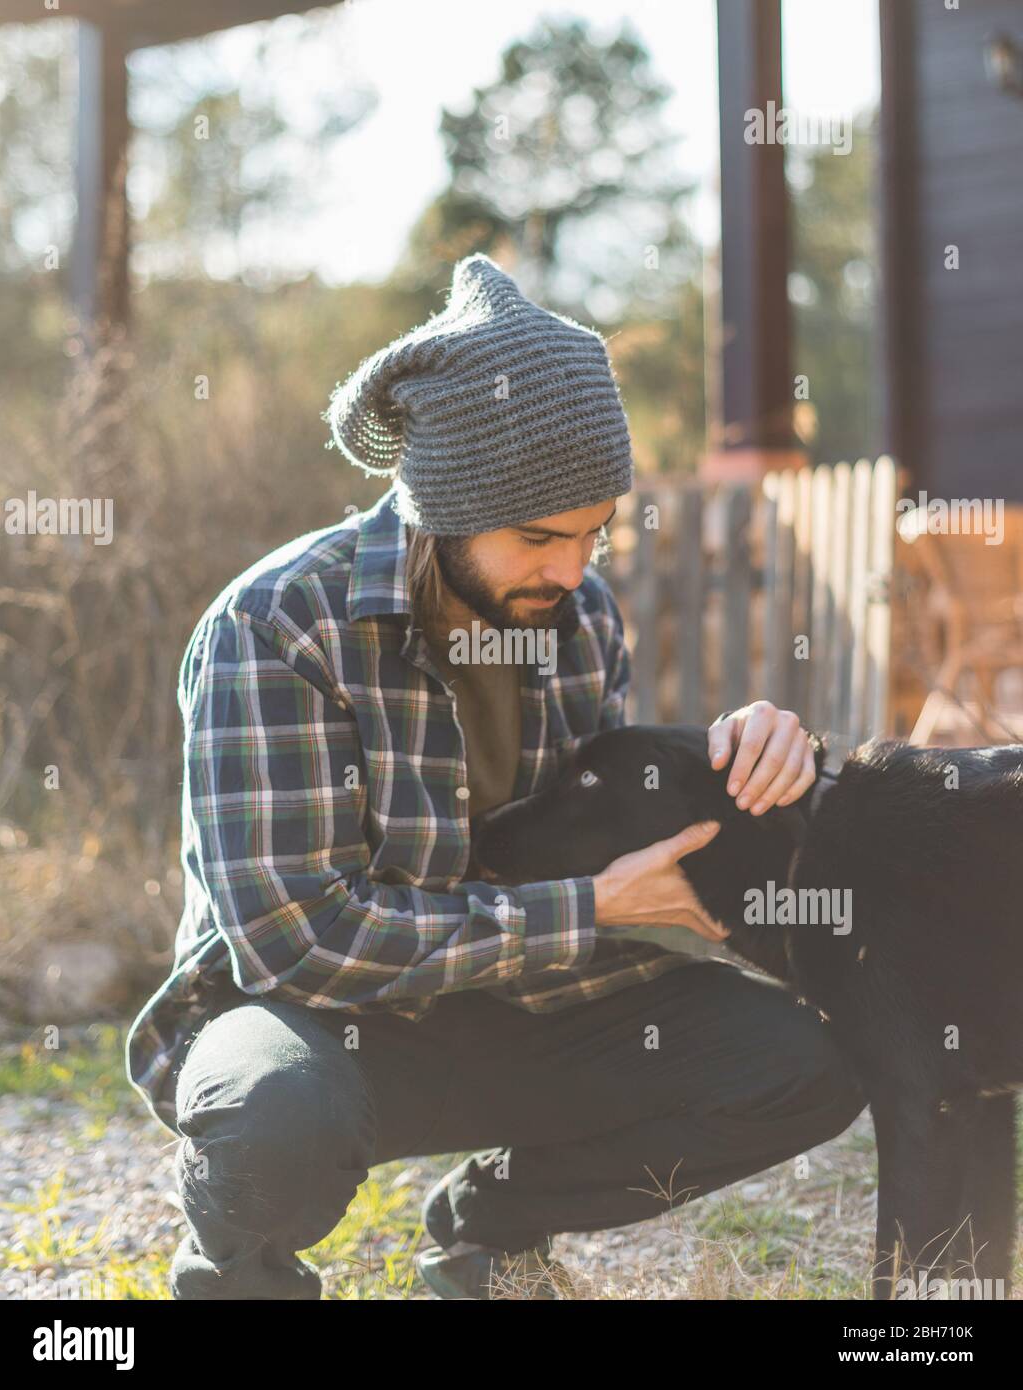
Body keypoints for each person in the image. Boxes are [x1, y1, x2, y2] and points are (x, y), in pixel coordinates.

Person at [123, 254, 866, 1300]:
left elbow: (595, 823)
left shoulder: (576, 616)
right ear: (444, 501)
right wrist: (583, 909)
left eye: (592, 533)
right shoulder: (279, 623)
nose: (571, 569)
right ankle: (239, 1271)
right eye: (538, 537)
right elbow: (294, 938)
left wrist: (740, 753)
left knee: (799, 1067)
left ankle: (488, 1234)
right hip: (312, 1021)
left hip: (509, 1003)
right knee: (273, 1120)